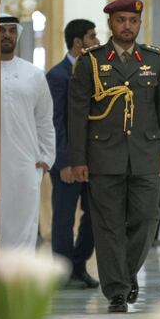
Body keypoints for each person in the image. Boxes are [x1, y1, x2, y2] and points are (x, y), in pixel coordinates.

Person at [68, 0, 160, 313]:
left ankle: (125, 274)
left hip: (146, 154)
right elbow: (76, 114)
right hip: (103, 155)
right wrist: (78, 159)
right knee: (108, 224)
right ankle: (117, 290)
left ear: (139, 23)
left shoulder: (155, 60)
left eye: (132, 20)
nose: (127, 25)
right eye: (121, 20)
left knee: (146, 218)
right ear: (110, 24)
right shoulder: (91, 61)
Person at [46, 18, 100, 288]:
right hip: (67, 162)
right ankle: (62, 271)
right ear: (78, 42)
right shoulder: (57, 76)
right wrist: (65, 161)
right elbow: (56, 122)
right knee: (65, 218)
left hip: (93, 162)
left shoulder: (97, 72)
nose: (97, 41)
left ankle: (79, 266)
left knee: (94, 217)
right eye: (92, 37)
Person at [0, 13, 56, 249]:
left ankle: (19, 280)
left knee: (24, 223)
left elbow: (45, 120)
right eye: (2, 30)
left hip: (26, 163)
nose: (7, 35)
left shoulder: (33, 74)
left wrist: (45, 159)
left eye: (12, 30)